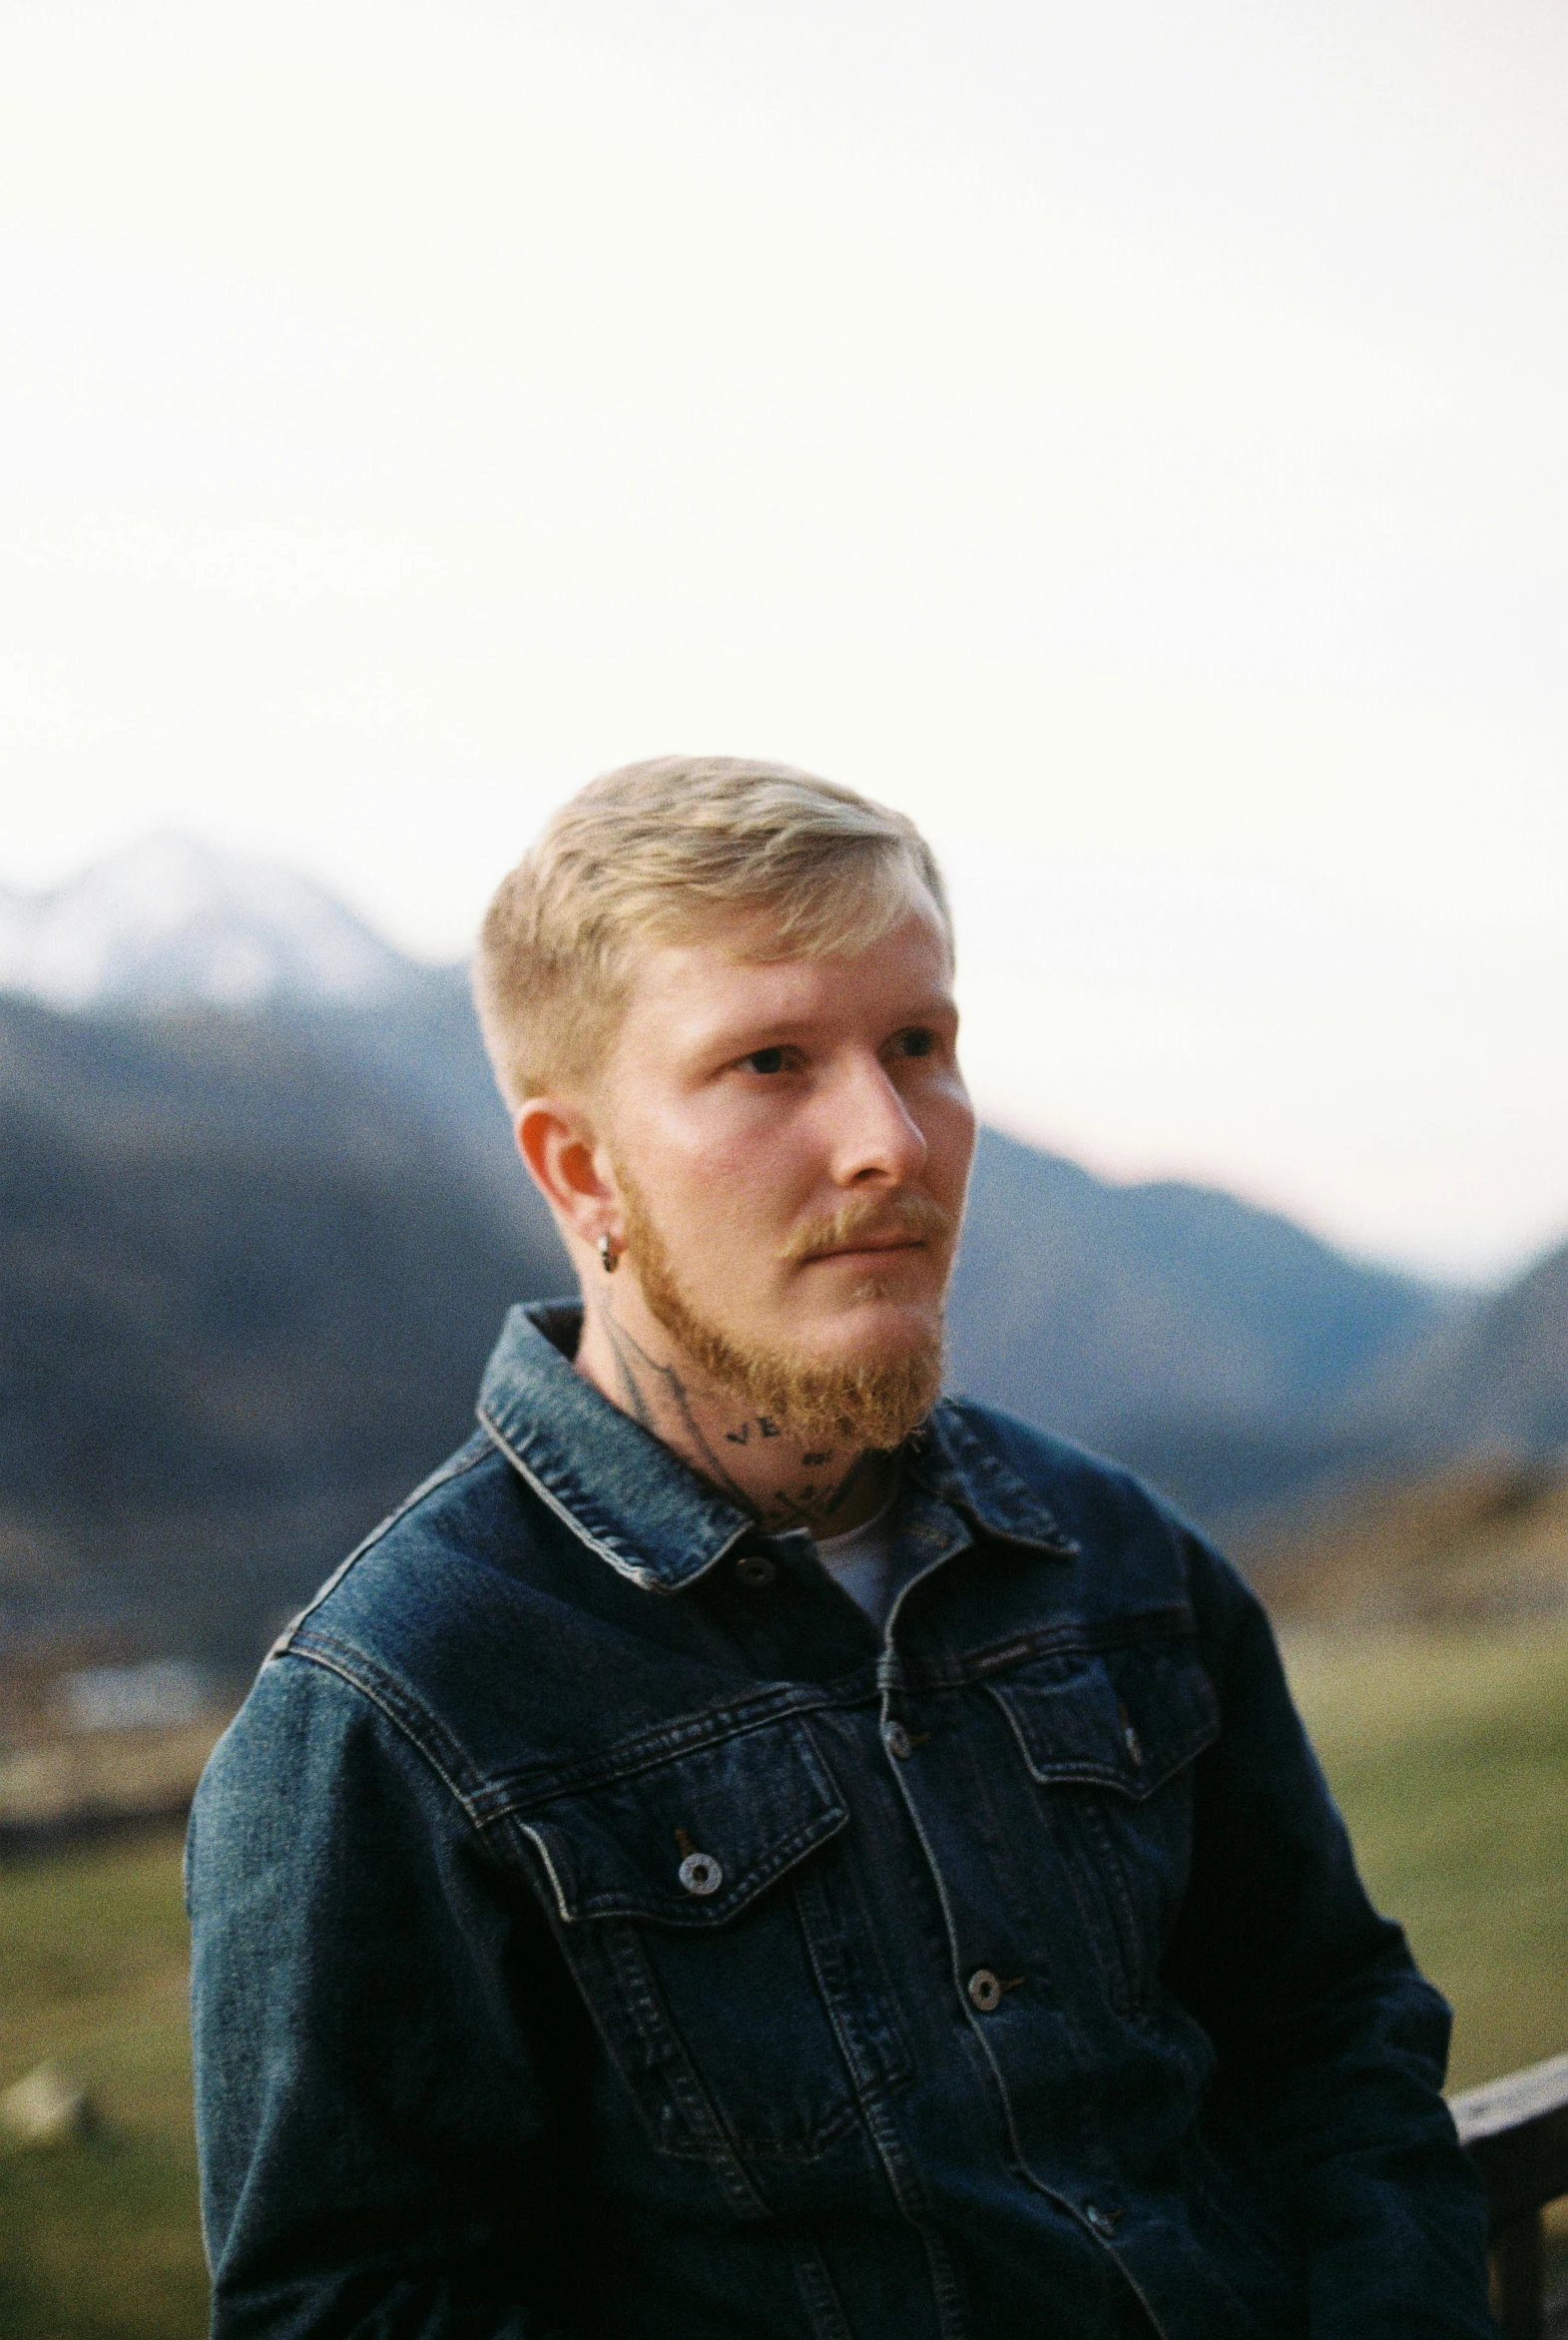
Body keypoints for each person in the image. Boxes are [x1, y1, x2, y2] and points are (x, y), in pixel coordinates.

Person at [187, 756, 1494, 2340]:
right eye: (768, 1062)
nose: (890, 1136)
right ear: (581, 1168)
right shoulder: (389, 1715)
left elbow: (1330, 2034)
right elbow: (358, 2309)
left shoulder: (1119, 1559)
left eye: (918, 1043)